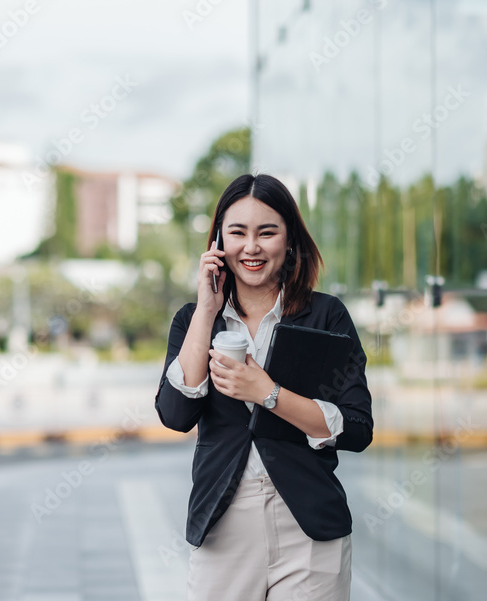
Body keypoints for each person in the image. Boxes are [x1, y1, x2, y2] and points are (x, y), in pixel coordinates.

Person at [154, 173, 374, 601]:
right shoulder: (194, 320)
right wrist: (206, 308)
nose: (251, 247)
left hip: (308, 528)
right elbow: (175, 415)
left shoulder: (326, 316)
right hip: (224, 525)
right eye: (237, 233)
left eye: (266, 232)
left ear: (289, 241)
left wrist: (268, 393)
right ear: (218, 242)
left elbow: (357, 428)